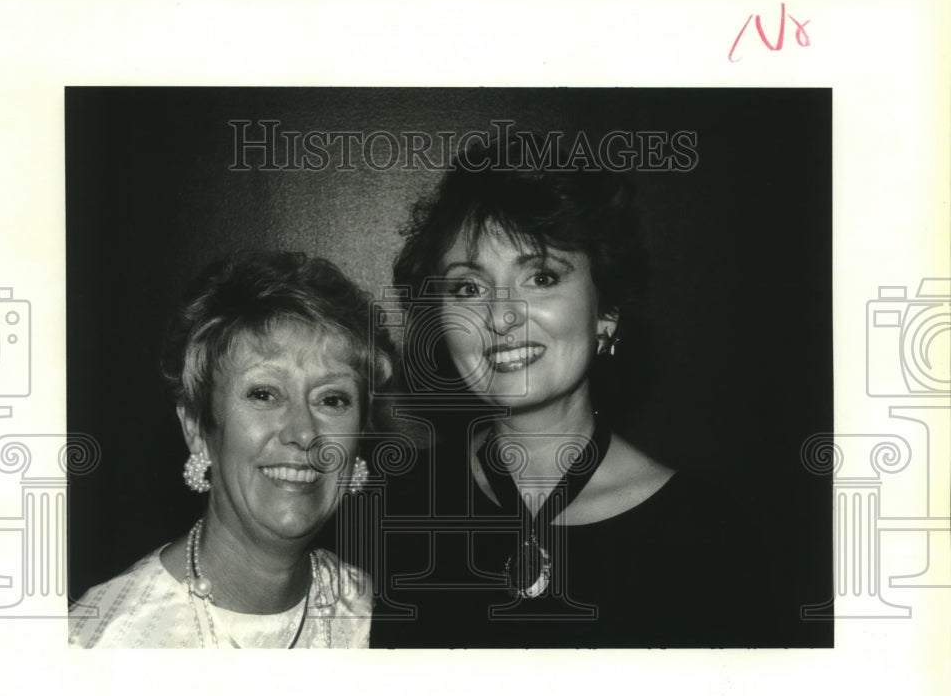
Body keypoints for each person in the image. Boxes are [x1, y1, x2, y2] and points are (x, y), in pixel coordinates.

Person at [369, 136, 788, 648]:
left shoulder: (705, 538)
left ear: (605, 313)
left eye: (541, 276)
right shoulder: (391, 508)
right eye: (468, 288)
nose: (500, 315)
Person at [69, 250, 397, 648]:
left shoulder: (374, 612)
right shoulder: (102, 638)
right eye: (264, 393)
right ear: (196, 427)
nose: (303, 433)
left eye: (332, 400)